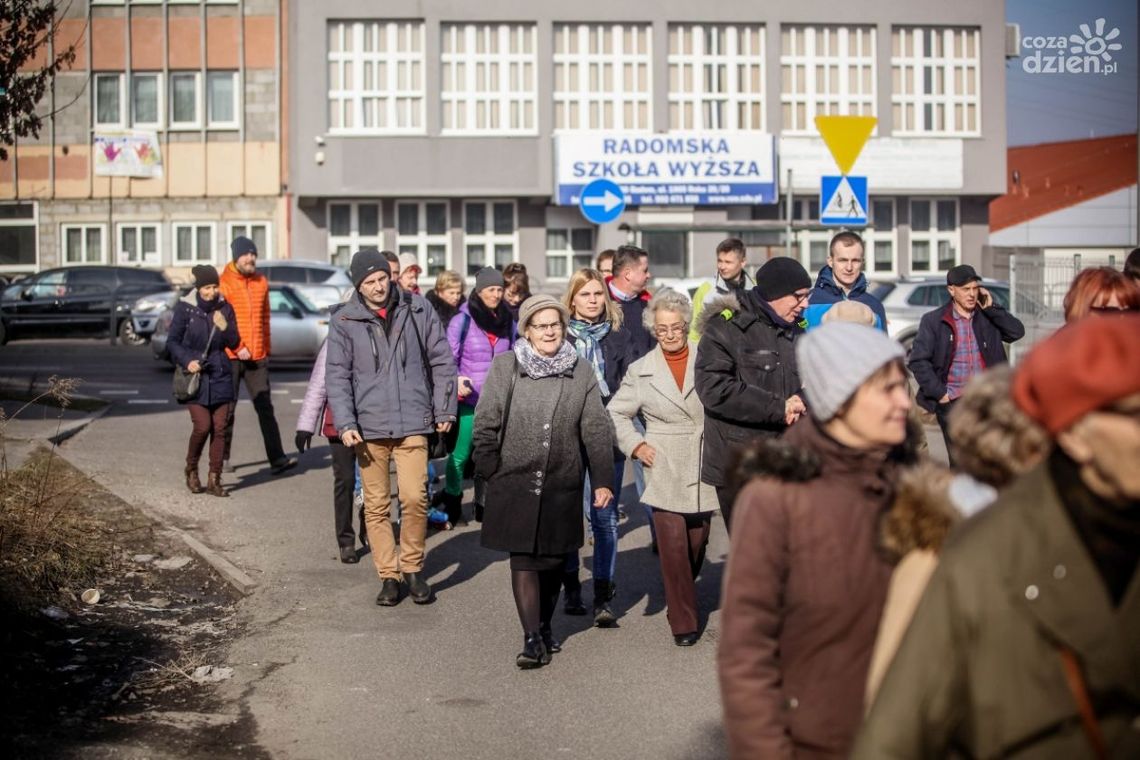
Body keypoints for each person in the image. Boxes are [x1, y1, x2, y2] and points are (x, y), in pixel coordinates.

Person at [854, 314, 1140, 759]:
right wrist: (941, 391)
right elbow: (895, 734)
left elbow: (1012, 331)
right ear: (1076, 436)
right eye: (1135, 414)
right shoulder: (979, 553)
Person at [719, 322, 920, 760]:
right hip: (822, 741)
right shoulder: (776, 499)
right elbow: (746, 653)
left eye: (902, 386)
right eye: (887, 390)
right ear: (840, 399)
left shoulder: (918, 490)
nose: (905, 401)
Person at [472, 294, 615, 669]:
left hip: (562, 482)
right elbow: (486, 420)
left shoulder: (581, 370)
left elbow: (596, 429)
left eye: (555, 324)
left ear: (563, 328)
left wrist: (603, 480)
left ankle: (545, 625)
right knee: (524, 560)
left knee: (553, 562)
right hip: (514, 481)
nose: (549, 331)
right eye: (541, 325)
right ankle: (531, 638)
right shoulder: (506, 366)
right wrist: (491, 468)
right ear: (527, 330)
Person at [325, 250, 457, 607]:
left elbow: (441, 358)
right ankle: (389, 575)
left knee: (415, 498)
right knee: (377, 505)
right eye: (370, 282)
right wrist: (346, 422)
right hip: (368, 428)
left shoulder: (417, 308)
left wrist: (444, 407)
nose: (379, 286)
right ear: (358, 286)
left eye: (382, 278)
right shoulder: (344, 321)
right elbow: (336, 377)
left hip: (414, 419)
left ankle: (413, 567)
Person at [608, 288, 717, 646]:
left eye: (676, 328)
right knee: (672, 547)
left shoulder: (709, 359)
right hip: (664, 459)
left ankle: (680, 593)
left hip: (704, 459)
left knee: (695, 543)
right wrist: (636, 444)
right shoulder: (641, 371)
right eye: (662, 329)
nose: (670, 335)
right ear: (654, 330)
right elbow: (616, 413)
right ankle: (683, 620)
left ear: (687, 326)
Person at [694, 256, 811, 533]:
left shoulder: (799, 331)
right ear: (775, 294)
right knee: (755, 554)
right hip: (740, 463)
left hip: (789, 461)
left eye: (808, 296)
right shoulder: (727, 327)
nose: (805, 304)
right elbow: (713, 388)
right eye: (799, 297)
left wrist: (804, 400)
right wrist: (778, 406)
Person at [561, 268, 632, 624]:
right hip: (569, 437)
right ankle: (572, 586)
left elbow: (629, 385)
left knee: (604, 517)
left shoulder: (618, 336)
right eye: (585, 294)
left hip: (609, 434)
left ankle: (603, 594)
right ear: (572, 299)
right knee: (572, 515)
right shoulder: (559, 339)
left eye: (597, 294)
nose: (592, 301)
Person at [908, 263, 1025, 465]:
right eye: (965, 289)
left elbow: (1016, 332)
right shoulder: (934, 321)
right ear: (951, 290)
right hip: (953, 401)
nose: (971, 294)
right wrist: (940, 394)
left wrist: (991, 308)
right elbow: (918, 360)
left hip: (987, 400)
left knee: (990, 459)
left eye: (974, 288)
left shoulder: (987, 317)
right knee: (960, 462)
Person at [440, 267, 515, 526]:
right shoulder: (462, 321)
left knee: (494, 455)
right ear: (479, 291)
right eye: (491, 290)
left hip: (500, 401)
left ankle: (485, 506)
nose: (496, 294)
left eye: (499, 289)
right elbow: (446, 360)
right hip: (470, 401)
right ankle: (452, 503)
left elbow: (517, 354)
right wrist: (456, 380)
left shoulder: (508, 320)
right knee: (461, 455)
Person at [219, 236, 296, 476]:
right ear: (236, 256)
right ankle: (221, 459)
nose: (251, 258)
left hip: (257, 356)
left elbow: (265, 318)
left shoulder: (261, 281)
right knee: (227, 410)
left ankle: (278, 458)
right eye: (246, 254)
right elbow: (221, 323)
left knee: (265, 409)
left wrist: (266, 349)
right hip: (230, 356)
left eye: (254, 254)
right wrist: (237, 346)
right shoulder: (224, 283)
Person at [167, 265, 241, 498]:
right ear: (199, 288)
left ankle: (214, 479)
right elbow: (172, 342)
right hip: (196, 377)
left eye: (215, 286)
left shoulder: (225, 308)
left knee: (220, 428)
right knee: (202, 427)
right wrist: (188, 360)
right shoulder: (185, 309)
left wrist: (225, 327)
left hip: (220, 374)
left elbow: (234, 341)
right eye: (207, 287)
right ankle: (191, 468)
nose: (212, 292)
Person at [295, 339, 368, 564]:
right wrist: (306, 425)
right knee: (345, 480)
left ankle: (371, 528)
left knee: (373, 481)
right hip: (338, 422)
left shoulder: (377, 328)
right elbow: (319, 383)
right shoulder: (336, 336)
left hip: (373, 419)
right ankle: (346, 541)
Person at [802, 230, 887, 330]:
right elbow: (799, 332)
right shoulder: (810, 301)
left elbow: (881, 342)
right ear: (830, 261)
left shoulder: (874, 305)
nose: (849, 267)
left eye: (855, 260)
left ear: (862, 262)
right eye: (843, 260)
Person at [689, 238, 756, 341]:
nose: (722, 266)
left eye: (728, 262)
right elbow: (694, 331)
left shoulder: (756, 289)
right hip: (713, 354)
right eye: (719, 261)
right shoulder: (705, 290)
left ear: (742, 262)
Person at [607, 245, 655, 362]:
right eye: (645, 270)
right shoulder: (597, 303)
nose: (649, 275)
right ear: (628, 274)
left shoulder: (648, 305)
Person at [1061, 265, 1140, 322]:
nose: (1122, 318)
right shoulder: (1060, 343)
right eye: (1109, 311)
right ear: (1081, 310)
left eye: (1130, 311)